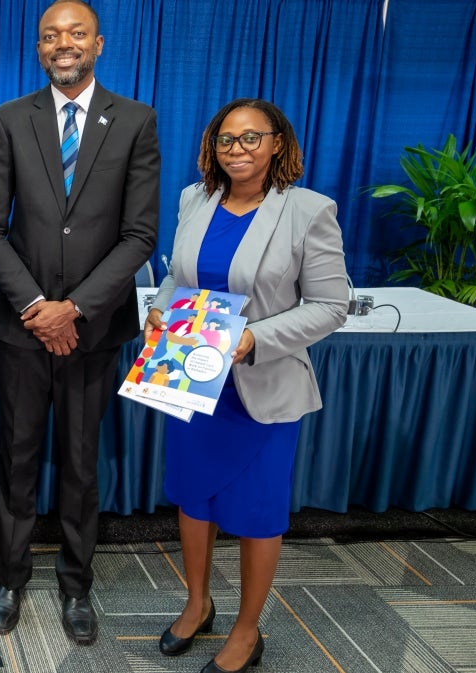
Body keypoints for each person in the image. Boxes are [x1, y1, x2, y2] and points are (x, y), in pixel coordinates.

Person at [0, 0, 161, 644]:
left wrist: (74, 308)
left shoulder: (136, 121)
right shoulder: (10, 119)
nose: (63, 43)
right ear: (37, 47)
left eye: (76, 32)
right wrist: (37, 308)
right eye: (51, 34)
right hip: (20, 329)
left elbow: (139, 235)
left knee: (82, 464)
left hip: (95, 328)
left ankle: (78, 585)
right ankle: (10, 576)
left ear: (98, 44)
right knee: (17, 459)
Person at [147, 98, 347, 673]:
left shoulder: (308, 211)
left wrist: (253, 338)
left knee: (258, 511)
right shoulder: (194, 198)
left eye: (251, 138)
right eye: (226, 140)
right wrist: (157, 312)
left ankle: (247, 627)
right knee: (192, 495)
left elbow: (331, 305)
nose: (237, 150)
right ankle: (197, 603)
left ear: (277, 143)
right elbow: (175, 279)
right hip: (189, 376)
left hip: (262, 387)